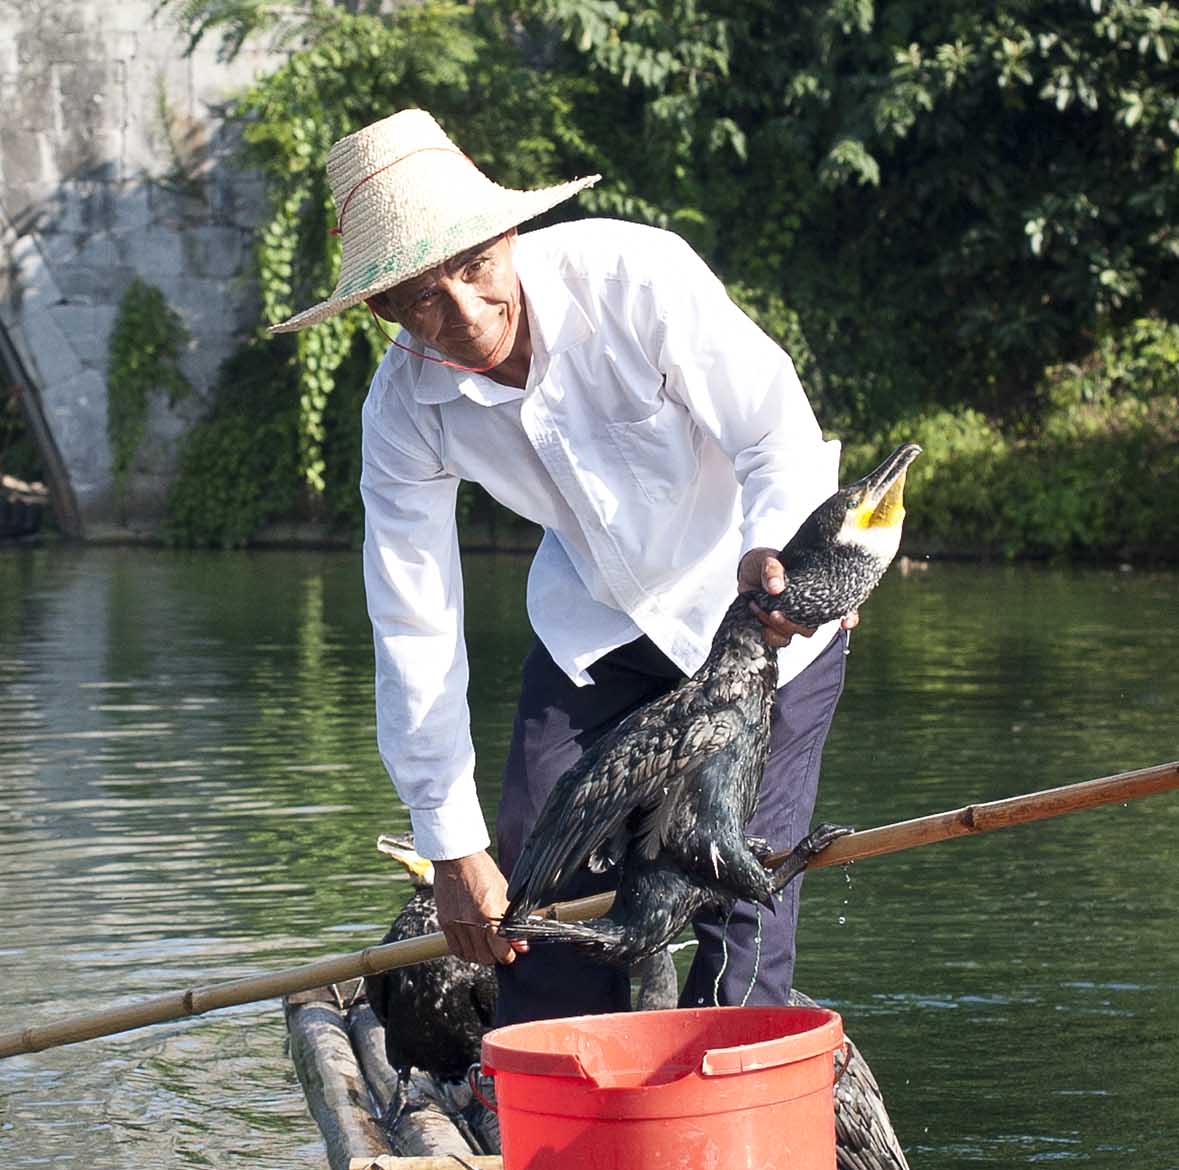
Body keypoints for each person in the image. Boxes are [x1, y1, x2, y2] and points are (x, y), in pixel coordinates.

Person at [273, 108, 855, 1026]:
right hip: (598, 627)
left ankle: (730, 1091)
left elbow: (773, 434)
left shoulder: (633, 277)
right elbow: (414, 620)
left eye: (473, 268)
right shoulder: (402, 413)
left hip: (756, 608)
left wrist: (776, 553)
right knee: (529, 886)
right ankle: (554, 1112)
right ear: (382, 310)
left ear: (509, 235)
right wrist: (450, 841)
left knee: (740, 877)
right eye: (422, 298)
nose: (464, 315)